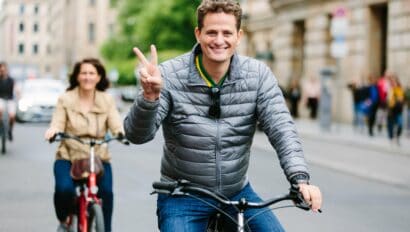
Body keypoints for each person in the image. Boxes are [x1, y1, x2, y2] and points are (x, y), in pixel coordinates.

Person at [124, 1, 322, 231]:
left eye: (227, 32)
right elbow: (137, 136)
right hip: (183, 195)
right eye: (211, 32)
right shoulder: (167, 75)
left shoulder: (257, 76)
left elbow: (282, 129)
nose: (219, 40)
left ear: (238, 36)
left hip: (236, 192)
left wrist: (300, 179)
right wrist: (149, 98)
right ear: (198, 34)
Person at [44, 58, 124, 232]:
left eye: (91, 73)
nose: (87, 77)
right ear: (77, 76)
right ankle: (64, 219)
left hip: (98, 156)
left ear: (99, 77)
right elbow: (58, 122)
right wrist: (53, 130)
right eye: (83, 73)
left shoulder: (107, 100)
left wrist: (121, 133)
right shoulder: (65, 98)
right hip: (69, 154)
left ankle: (105, 229)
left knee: (107, 193)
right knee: (64, 190)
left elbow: (116, 123)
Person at [0, 62, 16, 141]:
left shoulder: (11, 80)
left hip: (10, 99)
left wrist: (19, 94)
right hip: (1, 99)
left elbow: (16, 89)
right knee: (0, 110)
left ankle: (10, 130)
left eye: (4, 69)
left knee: (12, 116)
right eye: (1, 69)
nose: (3, 70)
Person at [386, 74, 404, 145]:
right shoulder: (390, 90)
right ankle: (391, 138)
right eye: (393, 81)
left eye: (395, 81)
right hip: (391, 110)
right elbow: (389, 100)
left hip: (399, 110)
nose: (394, 83)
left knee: (400, 124)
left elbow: (402, 99)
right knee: (391, 125)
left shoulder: (400, 89)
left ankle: (397, 137)